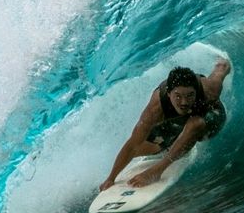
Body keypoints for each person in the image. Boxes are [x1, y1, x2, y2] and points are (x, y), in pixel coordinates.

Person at [99, 57, 231, 191]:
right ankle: (174, 146)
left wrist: (221, 62)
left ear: (196, 91)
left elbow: (222, 68)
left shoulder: (210, 88)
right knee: (145, 145)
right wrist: (111, 178)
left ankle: (158, 170)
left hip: (211, 118)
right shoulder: (156, 107)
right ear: (169, 94)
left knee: (195, 124)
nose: (184, 102)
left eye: (190, 95)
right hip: (179, 122)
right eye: (178, 96)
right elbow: (133, 144)